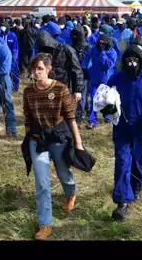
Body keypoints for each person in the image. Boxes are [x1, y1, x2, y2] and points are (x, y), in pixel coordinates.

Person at [21, 53, 85, 240]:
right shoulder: (28, 92)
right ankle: (45, 224)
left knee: (64, 174)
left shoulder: (60, 89)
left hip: (57, 136)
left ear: (49, 69)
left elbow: (71, 118)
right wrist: (28, 139)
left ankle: (70, 194)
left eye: (40, 68)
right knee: (42, 182)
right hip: (37, 139)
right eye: (34, 68)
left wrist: (78, 143)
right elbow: (27, 117)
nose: (36, 72)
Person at [107, 45, 142, 221]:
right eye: (128, 59)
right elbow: (104, 100)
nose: (131, 63)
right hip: (122, 129)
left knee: (138, 161)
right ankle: (122, 202)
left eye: (135, 59)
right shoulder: (115, 79)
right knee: (123, 162)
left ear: (141, 61)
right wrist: (107, 109)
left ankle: (136, 185)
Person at [35, 31, 84, 102]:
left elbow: (77, 70)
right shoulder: (42, 52)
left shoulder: (66, 49)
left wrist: (77, 90)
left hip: (65, 86)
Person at [82, 33, 117, 129]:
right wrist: (84, 68)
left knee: (106, 99)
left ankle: (107, 116)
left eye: (104, 44)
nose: (101, 46)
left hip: (107, 80)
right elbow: (86, 59)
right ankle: (92, 121)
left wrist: (102, 53)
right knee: (94, 99)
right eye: (100, 44)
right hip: (94, 79)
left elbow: (107, 66)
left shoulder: (112, 52)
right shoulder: (93, 49)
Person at [70, 26, 91, 122]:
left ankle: (79, 115)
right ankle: (82, 111)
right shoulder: (72, 46)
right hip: (75, 73)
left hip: (83, 74)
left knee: (82, 95)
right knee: (81, 94)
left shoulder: (87, 47)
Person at [0, 22, 20, 92]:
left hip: (12, 58)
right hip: (2, 58)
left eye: (4, 27)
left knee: (14, 72)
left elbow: (15, 47)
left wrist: (14, 56)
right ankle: (3, 87)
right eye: (1, 27)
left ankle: (15, 87)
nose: (2, 29)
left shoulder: (12, 36)